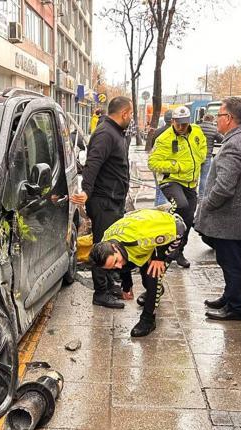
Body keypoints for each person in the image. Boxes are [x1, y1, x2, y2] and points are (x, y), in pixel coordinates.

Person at [195, 97, 241, 321]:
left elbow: (224, 188)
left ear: (229, 118)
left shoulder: (234, 145)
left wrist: (205, 205)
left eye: (219, 116)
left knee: (231, 265)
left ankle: (235, 308)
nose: (217, 120)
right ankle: (229, 296)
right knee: (236, 262)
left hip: (231, 220)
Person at [72, 96, 134, 308]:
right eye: (131, 114)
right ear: (124, 113)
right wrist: (86, 192)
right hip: (103, 201)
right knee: (102, 247)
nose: (131, 118)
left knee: (112, 244)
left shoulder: (115, 132)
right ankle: (100, 293)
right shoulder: (106, 133)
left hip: (114, 199)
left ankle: (109, 284)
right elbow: (93, 163)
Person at [89, 209, 185, 337]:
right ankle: (156, 291)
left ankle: (148, 320)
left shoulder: (141, 237)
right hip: (143, 243)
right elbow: (122, 266)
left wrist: (161, 258)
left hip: (170, 231)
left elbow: (180, 229)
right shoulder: (106, 241)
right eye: (112, 265)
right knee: (138, 272)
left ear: (114, 247)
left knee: (152, 276)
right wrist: (127, 285)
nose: (117, 265)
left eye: (116, 261)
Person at [148, 106, 207, 268]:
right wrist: (176, 165)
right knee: (181, 206)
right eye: (178, 123)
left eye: (184, 123)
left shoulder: (196, 131)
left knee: (188, 218)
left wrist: (200, 157)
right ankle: (162, 247)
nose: (181, 127)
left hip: (191, 182)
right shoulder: (164, 138)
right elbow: (153, 162)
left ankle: (178, 251)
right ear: (172, 121)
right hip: (171, 181)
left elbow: (203, 148)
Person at [198, 113, 224, 197]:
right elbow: (221, 140)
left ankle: (192, 194)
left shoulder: (198, 128)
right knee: (204, 177)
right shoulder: (214, 129)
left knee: (193, 176)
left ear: (203, 119)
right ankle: (201, 196)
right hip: (207, 156)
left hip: (196, 156)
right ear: (212, 120)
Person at [152, 110, 175, 206]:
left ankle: (156, 212)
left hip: (157, 164)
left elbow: (152, 146)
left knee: (159, 190)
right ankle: (161, 214)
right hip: (168, 165)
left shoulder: (157, 131)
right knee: (164, 192)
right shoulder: (175, 132)